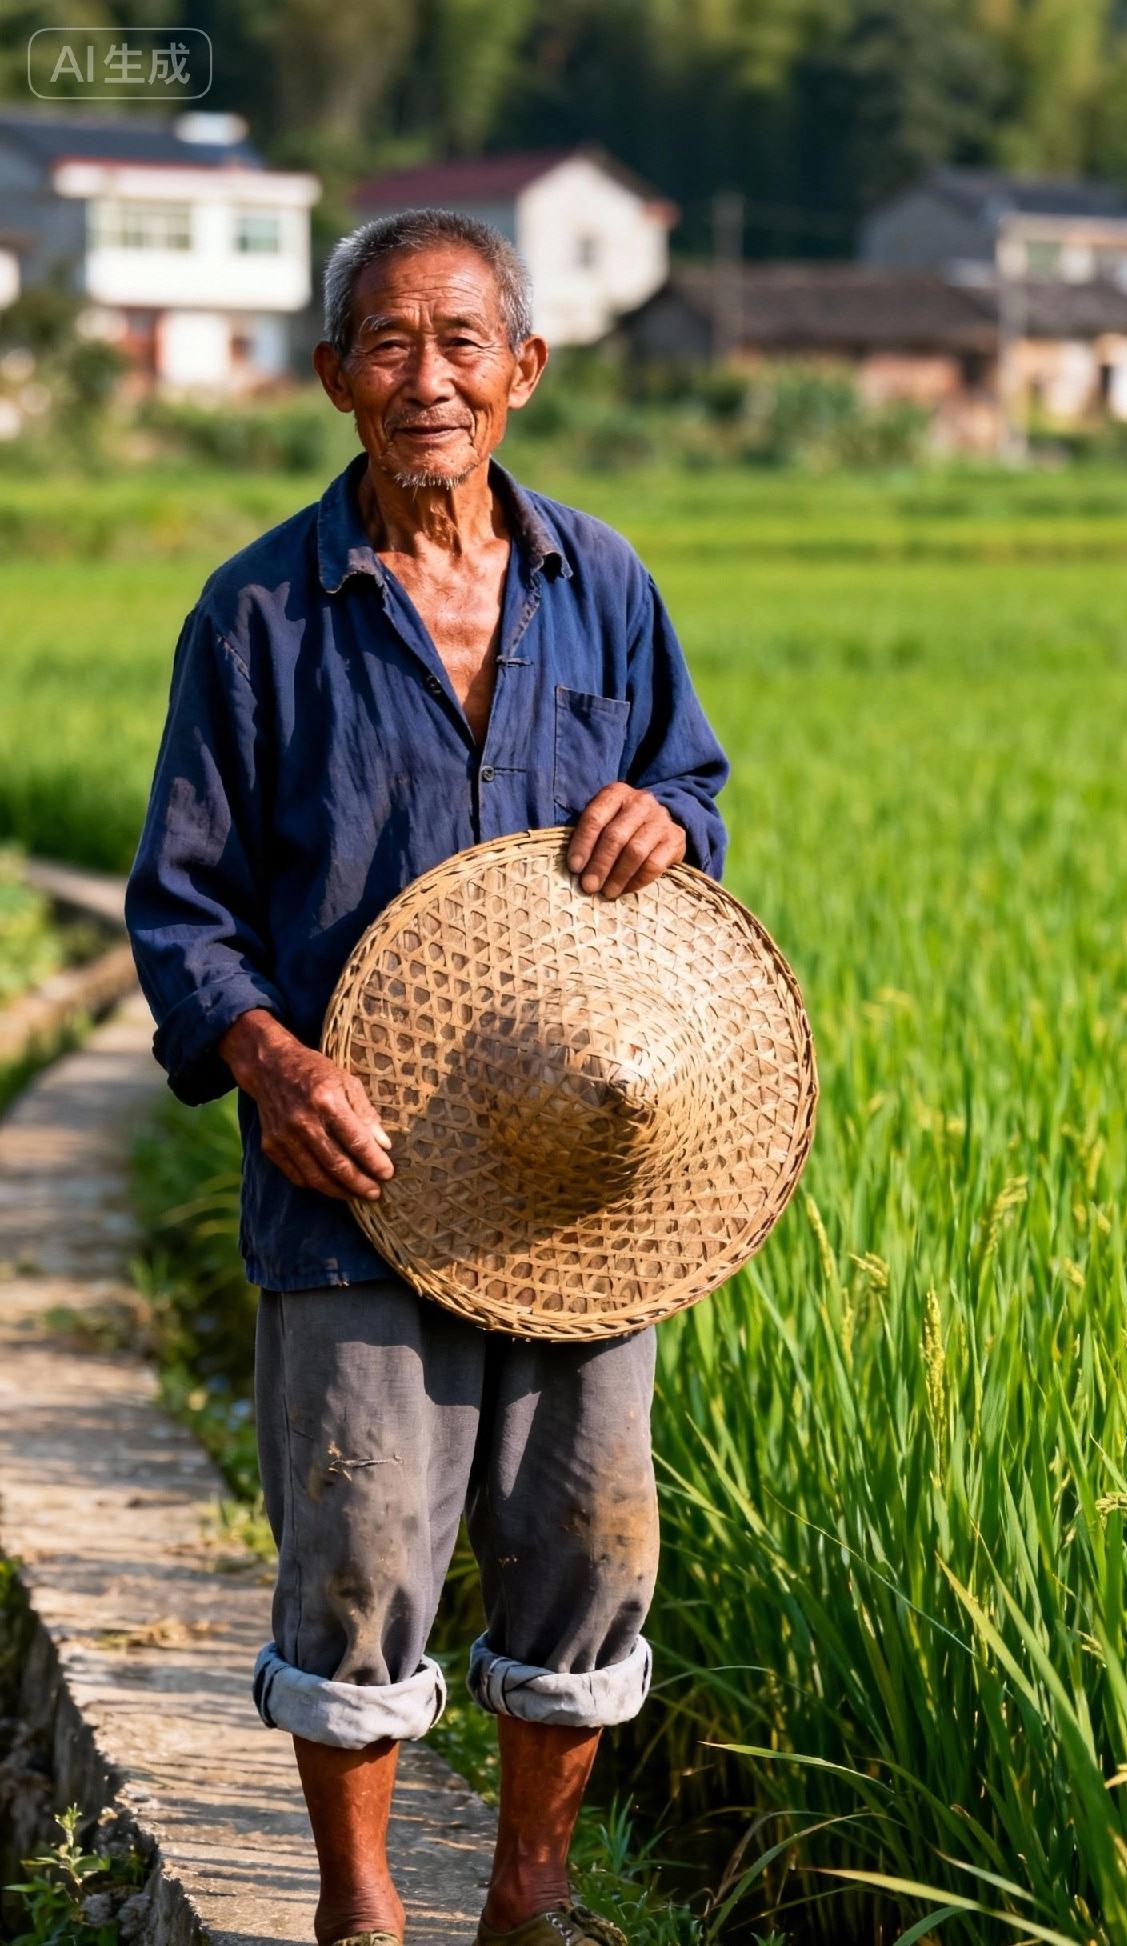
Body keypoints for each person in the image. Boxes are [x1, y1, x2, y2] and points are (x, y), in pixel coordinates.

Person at [125, 208, 729, 1946]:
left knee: (594, 1540)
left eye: (464, 341)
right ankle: (361, 1904)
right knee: (361, 1546)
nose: (428, 379)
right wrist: (267, 1055)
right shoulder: (257, 613)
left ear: (523, 372)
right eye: (388, 344)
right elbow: (182, 908)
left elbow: (691, 785)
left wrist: (662, 817)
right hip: (357, 1169)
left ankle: (528, 1894)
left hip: (578, 1166)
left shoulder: (600, 584)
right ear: (332, 378)